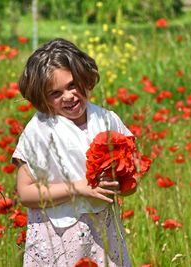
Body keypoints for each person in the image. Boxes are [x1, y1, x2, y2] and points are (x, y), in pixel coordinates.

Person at [12, 38, 135, 267]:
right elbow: (26, 194)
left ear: (84, 78)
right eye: (55, 93)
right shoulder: (39, 131)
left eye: (72, 85)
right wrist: (78, 188)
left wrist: (122, 184)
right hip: (57, 238)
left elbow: (131, 180)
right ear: (41, 97)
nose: (68, 96)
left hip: (104, 234)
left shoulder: (106, 120)